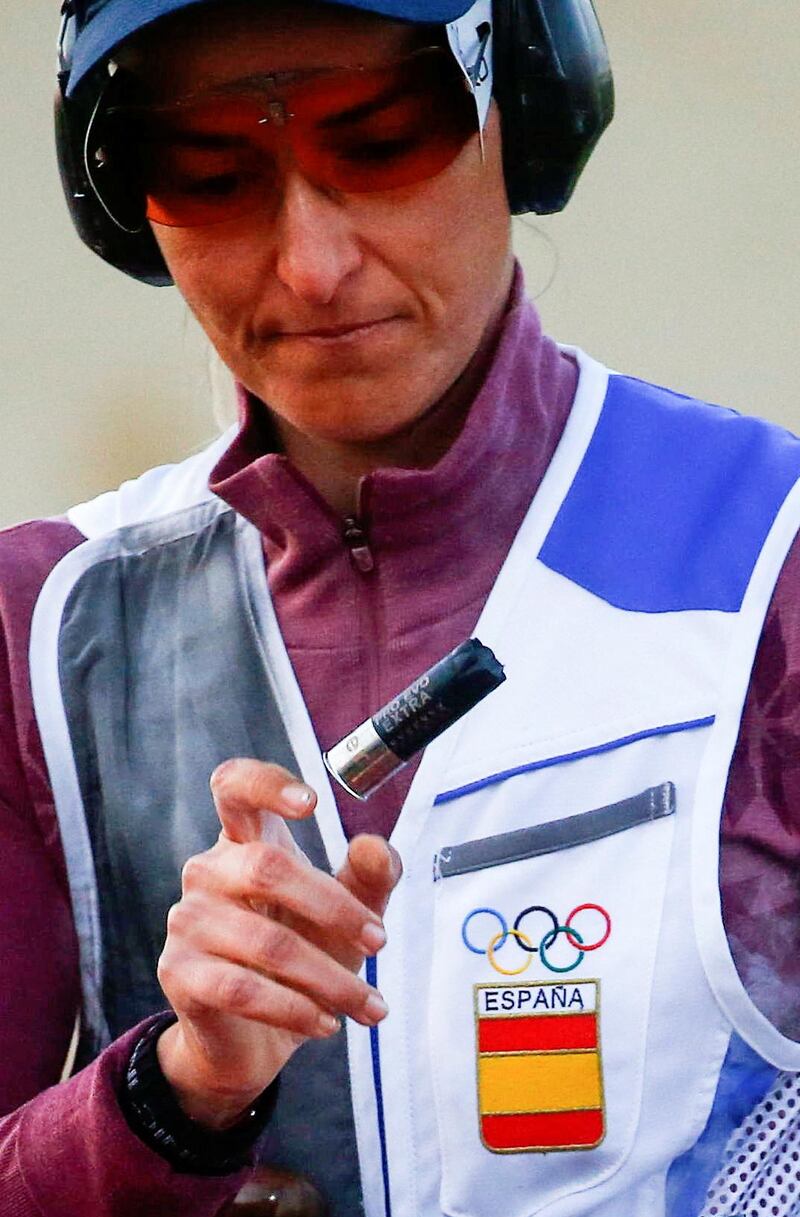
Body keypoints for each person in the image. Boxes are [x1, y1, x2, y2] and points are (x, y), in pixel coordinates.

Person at [0, 0, 799, 1215]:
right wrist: (172, 1092)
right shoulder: (42, 621)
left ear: (523, 110)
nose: (312, 265)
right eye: (212, 174)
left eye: (377, 144)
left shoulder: (774, 557)